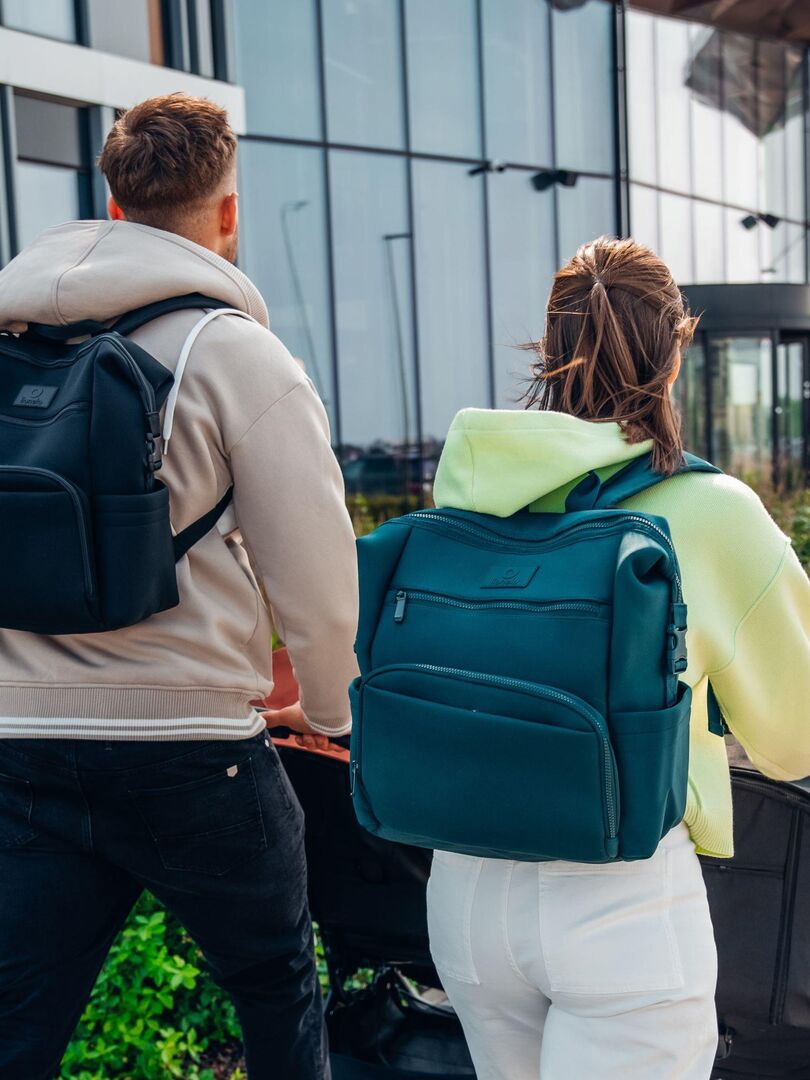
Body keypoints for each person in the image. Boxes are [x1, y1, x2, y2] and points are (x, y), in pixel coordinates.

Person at [0, 93, 358, 1079]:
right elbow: (316, 572)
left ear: (114, 206)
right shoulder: (235, 356)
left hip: (20, 748)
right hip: (194, 752)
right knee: (278, 993)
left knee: (18, 1027)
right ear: (228, 212)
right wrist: (336, 713)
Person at [425, 237, 810, 1080]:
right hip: (622, 897)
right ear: (675, 354)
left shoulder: (471, 491)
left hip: (464, 888)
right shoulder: (713, 511)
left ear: (549, 350)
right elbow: (795, 741)